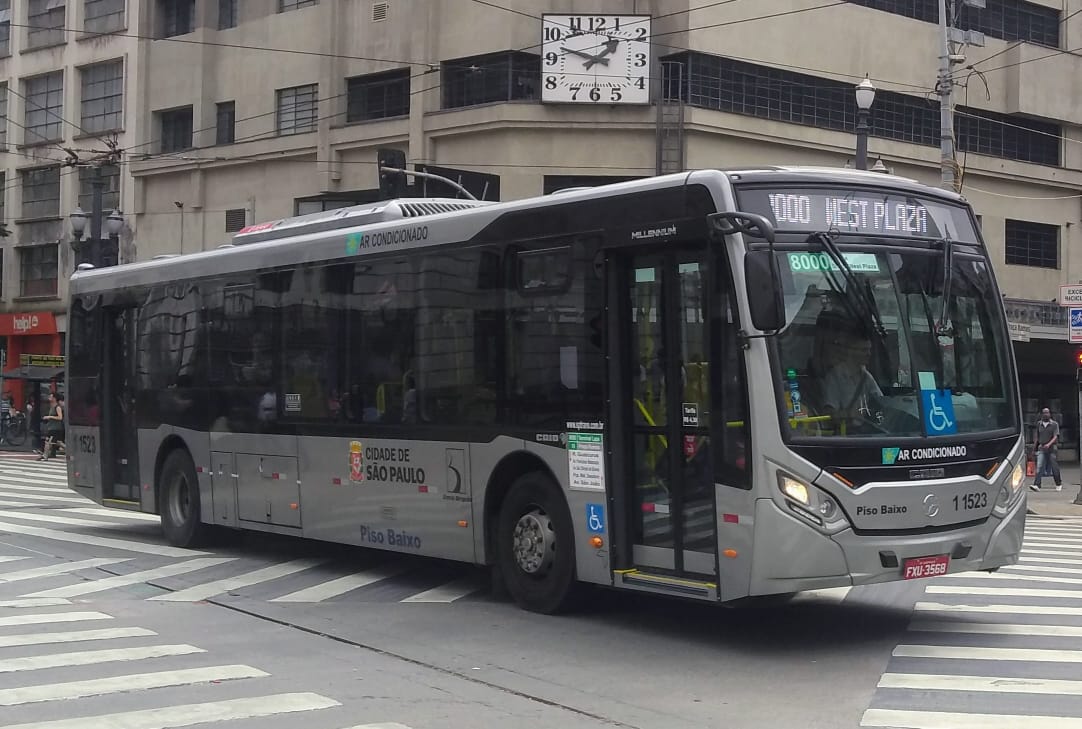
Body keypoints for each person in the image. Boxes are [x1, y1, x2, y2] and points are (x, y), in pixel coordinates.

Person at [812, 310, 883, 421]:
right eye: (863, 350)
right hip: (847, 434)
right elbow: (828, 413)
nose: (869, 354)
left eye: (869, 350)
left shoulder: (866, 376)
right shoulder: (835, 377)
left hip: (866, 432)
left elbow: (881, 402)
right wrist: (848, 414)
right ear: (850, 351)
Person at [1030, 406, 1062, 492]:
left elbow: (1055, 436)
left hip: (1052, 448)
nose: (1046, 414)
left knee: (1054, 466)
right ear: (1042, 414)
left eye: (1047, 412)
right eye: (1044, 413)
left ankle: (1058, 483)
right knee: (1039, 466)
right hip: (1041, 447)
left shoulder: (1054, 424)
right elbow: (1037, 437)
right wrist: (1034, 449)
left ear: (1050, 414)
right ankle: (1037, 484)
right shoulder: (1039, 424)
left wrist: (1049, 444)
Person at [39, 392, 64, 460]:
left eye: (51, 397)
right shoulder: (52, 407)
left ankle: (45, 456)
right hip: (51, 427)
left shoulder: (57, 407)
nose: (49, 398)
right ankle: (70, 451)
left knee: (49, 442)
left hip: (56, 428)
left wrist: (49, 417)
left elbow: (60, 417)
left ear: (54, 398)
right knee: (57, 442)